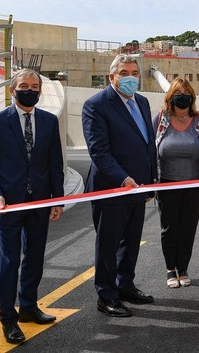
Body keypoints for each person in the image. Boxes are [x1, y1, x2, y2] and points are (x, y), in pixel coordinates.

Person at [0, 68, 65, 344]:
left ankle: (28, 307)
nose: (30, 89)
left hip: (39, 203)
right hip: (9, 206)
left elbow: (54, 163)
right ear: (12, 90)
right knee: (10, 261)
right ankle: (8, 318)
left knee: (35, 259)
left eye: (35, 85)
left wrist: (57, 198)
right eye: (24, 85)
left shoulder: (50, 122)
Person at [82, 54, 157, 318]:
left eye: (134, 73)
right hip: (112, 188)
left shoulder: (143, 102)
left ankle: (125, 286)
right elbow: (99, 152)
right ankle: (107, 295)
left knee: (130, 242)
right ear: (111, 76)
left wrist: (150, 181)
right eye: (124, 72)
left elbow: (148, 144)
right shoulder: (96, 105)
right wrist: (123, 179)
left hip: (138, 188)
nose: (130, 77)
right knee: (108, 244)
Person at [153, 78, 199, 288]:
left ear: (192, 97)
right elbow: (150, 151)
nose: (183, 96)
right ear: (170, 96)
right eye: (178, 92)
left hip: (193, 186)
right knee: (169, 229)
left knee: (188, 228)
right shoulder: (160, 120)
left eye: (186, 92)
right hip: (166, 185)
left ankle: (184, 267)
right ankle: (171, 269)